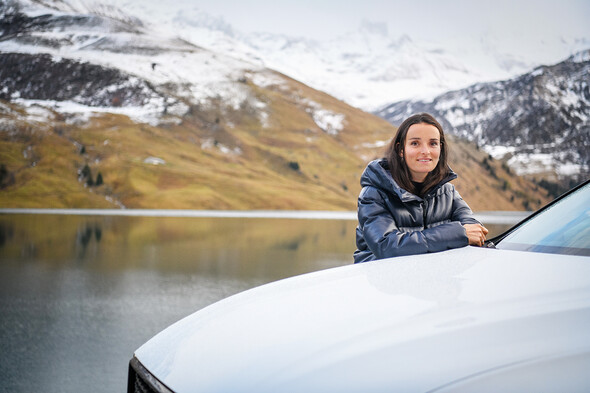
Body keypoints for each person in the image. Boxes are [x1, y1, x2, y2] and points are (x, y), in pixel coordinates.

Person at [354, 112, 488, 263]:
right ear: (400, 150)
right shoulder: (374, 194)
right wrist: (456, 234)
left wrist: (463, 234)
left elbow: (474, 230)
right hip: (379, 278)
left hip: (429, 275)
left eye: (433, 143)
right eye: (415, 143)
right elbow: (387, 246)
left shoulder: (448, 192)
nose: (426, 151)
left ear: (440, 148)